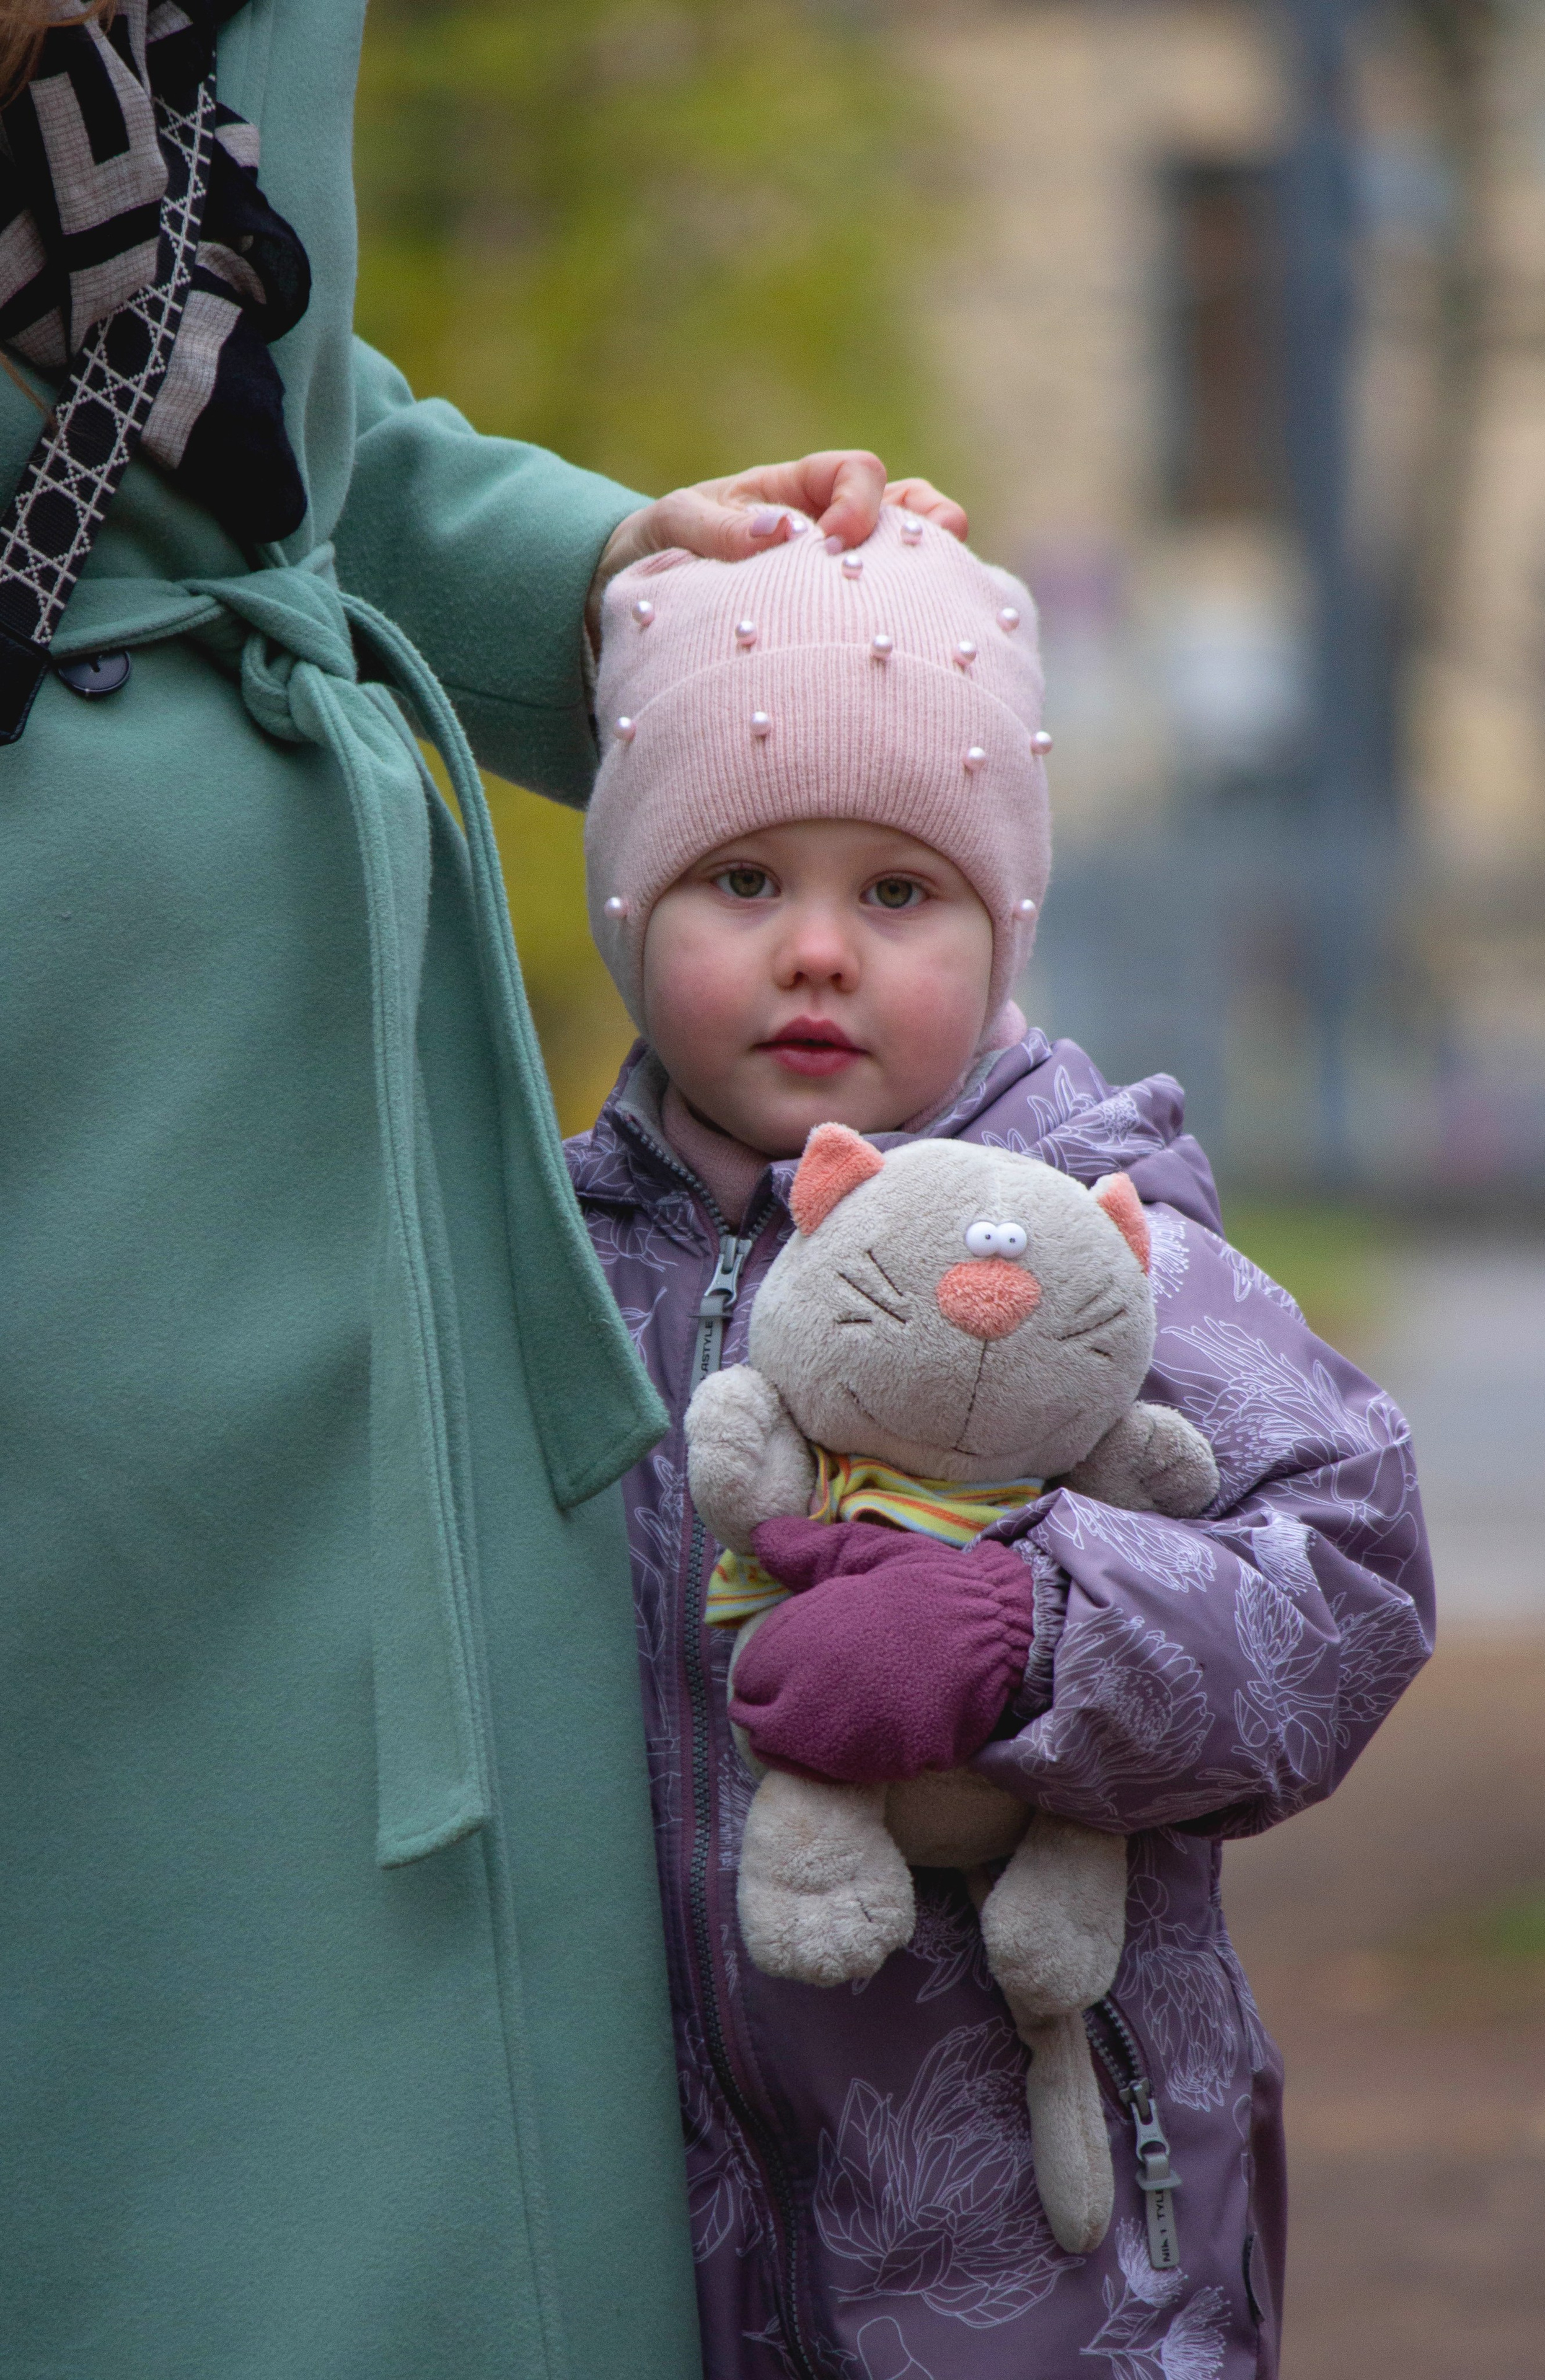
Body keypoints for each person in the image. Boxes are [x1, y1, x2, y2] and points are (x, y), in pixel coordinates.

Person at [0, 4, 962, 2373]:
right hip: (67, 1082)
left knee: (365, 2060)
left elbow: (249, 402)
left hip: (319, 1101)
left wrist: (618, 569)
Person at [568, 510, 1435, 2379]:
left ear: (999, 924)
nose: (816, 950)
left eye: (897, 893)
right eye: (738, 879)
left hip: (1054, 2256)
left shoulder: (1098, 1241)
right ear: (632, 913)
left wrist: (1030, 1634)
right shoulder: (546, 1269)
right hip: (651, 2245)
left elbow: (1352, 1571)